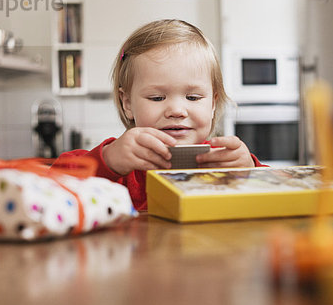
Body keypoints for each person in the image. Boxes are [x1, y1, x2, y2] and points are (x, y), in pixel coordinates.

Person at [53, 19, 265, 210]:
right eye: (157, 98)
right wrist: (108, 160)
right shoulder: (120, 160)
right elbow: (48, 186)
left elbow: (284, 192)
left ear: (213, 104)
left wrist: (251, 171)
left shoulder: (226, 162)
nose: (176, 111)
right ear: (127, 103)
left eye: (192, 98)